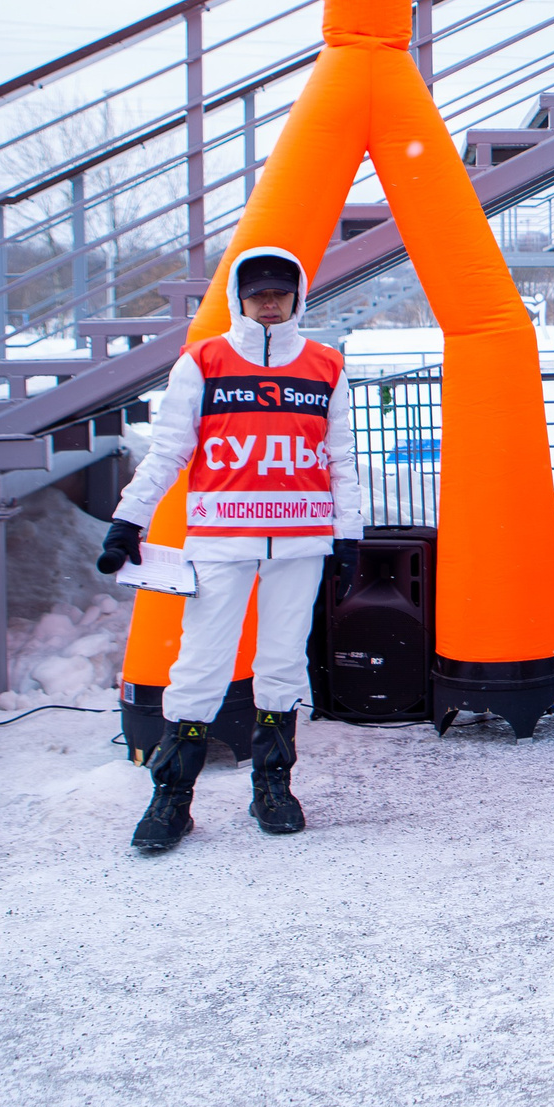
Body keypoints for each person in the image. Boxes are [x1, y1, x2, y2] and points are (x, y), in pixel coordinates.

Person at [96, 245, 362, 854]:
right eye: (257, 293)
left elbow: (342, 461)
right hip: (221, 535)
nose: (269, 303)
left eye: (279, 292)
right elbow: (167, 451)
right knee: (202, 664)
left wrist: (349, 535)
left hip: (299, 538)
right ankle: (172, 797)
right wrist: (126, 522)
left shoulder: (325, 365)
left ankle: (273, 785)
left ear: (296, 296)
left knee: (282, 664)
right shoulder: (204, 361)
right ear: (239, 299)